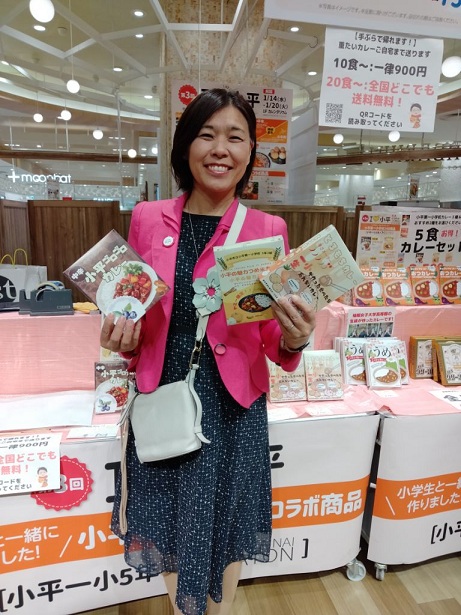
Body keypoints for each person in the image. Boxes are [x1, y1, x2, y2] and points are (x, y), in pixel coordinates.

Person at [100, 88, 315, 615]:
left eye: (235, 137)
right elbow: (136, 308)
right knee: (171, 521)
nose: (221, 149)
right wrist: (122, 337)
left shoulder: (268, 230)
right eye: (206, 134)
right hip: (164, 396)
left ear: (250, 153)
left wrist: (295, 337)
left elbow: (272, 337)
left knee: (227, 523)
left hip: (233, 405)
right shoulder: (148, 217)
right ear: (184, 147)